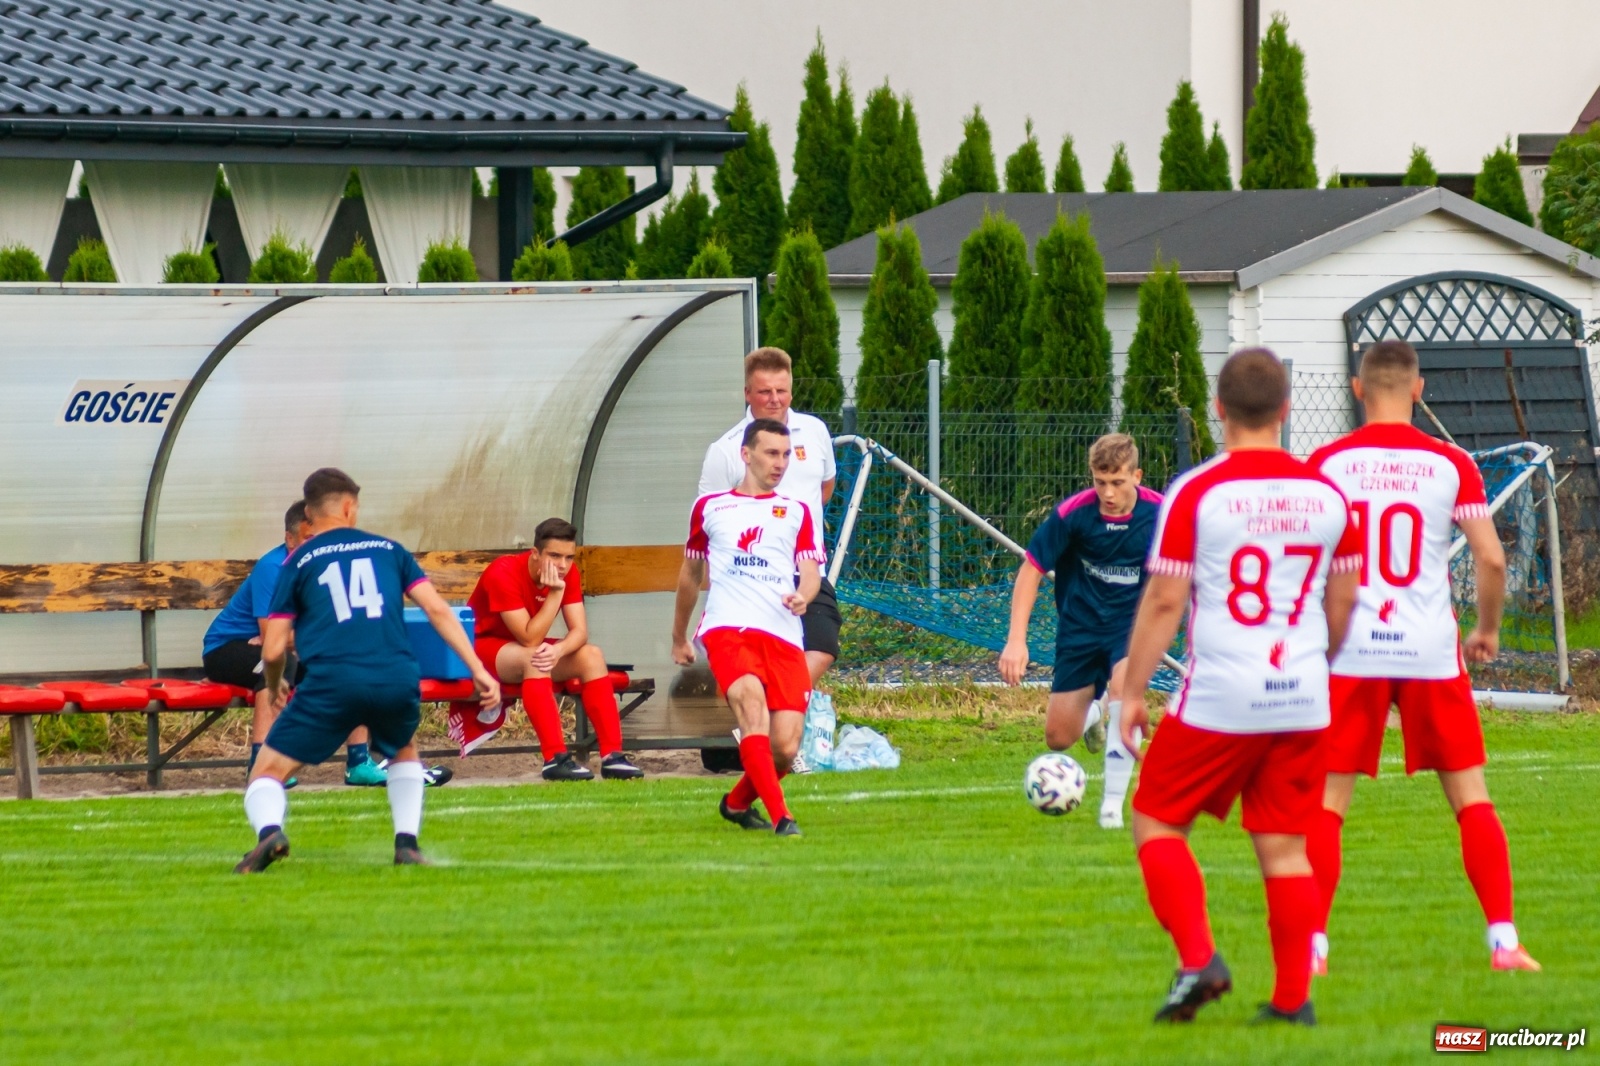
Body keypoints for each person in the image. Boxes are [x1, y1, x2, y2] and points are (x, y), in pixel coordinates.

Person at [1118, 349, 1361, 1027]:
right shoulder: (1328, 495)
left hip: (1224, 691)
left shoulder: (1197, 491)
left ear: (1217, 411)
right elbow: (1343, 601)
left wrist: (1133, 690)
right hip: (1304, 690)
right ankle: (1292, 1003)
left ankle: (1199, 959)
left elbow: (1167, 600)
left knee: (1157, 818)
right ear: (1285, 410)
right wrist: (1319, 658)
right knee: (1285, 847)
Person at [1306, 340, 1538, 974]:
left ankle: (1313, 950)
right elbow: (1491, 557)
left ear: (1357, 390)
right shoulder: (1450, 463)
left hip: (1349, 649)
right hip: (1429, 651)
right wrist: (1486, 629)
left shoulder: (1325, 463)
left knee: (1327, 803)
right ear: (1419, 389)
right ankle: (1504, 942)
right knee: (1470, 797)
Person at [233, 468, 498, 873]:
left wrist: (274, 686)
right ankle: (406, 844)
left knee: (266, 771)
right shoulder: (390, 549)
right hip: (395, 675)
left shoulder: (299, 560)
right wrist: (476, 668)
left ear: (308, 512)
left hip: (332, 681)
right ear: (349, 507)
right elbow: (437, 609)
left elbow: (272, 649)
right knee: (404, 748)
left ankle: (270, 833)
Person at [998, 433, 1162, 829]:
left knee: (1125, 688)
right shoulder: (1074, 513)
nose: (1108, 492)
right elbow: (1031, 570)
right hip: (1080, 627)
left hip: (1132, 628)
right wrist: (1016, 640)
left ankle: (1111, 810)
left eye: (1118, 482)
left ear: (1137, 476)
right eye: (1100, 481)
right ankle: (1094, 714)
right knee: (1057, 737)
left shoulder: (1161, 513)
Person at [673, 418, 823, 837]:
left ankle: (737, 802)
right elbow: (690, 573)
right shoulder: (710, 507)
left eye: (786, 454)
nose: (780, 463)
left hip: (783, 634)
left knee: (786, 748)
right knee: (751, 709)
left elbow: (810, 571)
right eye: (771, 453)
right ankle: (783, 818)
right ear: (746, 454)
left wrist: (804, 596)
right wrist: (679, 636)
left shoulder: (797, 510)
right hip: (728, 628)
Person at [202, 500, 383, 787]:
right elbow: (275, 637)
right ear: (289, 538)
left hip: (280, 648)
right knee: (279, 662)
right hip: (226, 648)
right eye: (309, 539)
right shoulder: (273, 568)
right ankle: (261, 767)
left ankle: (359, 763)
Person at [699, 347, 839, 684]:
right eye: (765, 391)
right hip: (750, 578)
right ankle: (770, 720)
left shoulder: (815, 430)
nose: (775, 400)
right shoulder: (726, 450)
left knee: (822, 647)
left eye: (782, 390)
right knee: (753, 668)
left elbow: (824, 489)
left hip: (806, 572)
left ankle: (777, 708)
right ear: (748, 393)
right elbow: (709, 522)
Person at [464, 517, 643, 781]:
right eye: (555, 556)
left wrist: (559, 651)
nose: (562, 565)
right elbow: (529, 638)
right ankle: (554, 758)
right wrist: (556, 594)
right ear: (535, 553)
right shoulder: (502, 571)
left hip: (522, 647)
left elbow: (580, 632)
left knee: (592, 656)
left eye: (569, 557)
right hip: (479, 650)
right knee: (534, 657)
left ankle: (612, 757)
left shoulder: (567, 572)